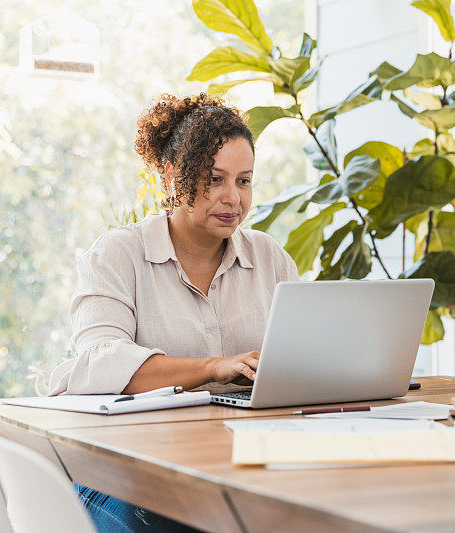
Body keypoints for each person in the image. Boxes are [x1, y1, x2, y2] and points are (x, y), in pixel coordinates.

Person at [48, 93, 299, 532]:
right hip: (122, 473)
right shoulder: (120, 254)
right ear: (172, 177)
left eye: (244, 181)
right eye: (214, 178)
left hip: (228, 465)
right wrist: (214, 368)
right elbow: (98, 363)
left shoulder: (270, 259)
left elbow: (302, 358)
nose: (232, 198)